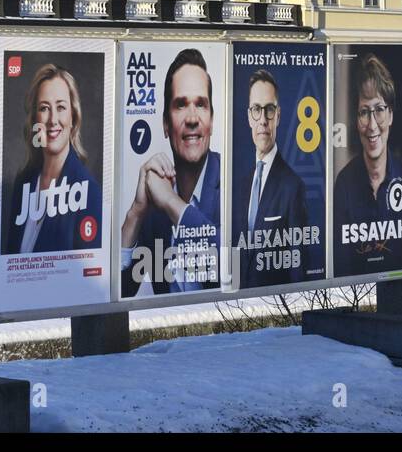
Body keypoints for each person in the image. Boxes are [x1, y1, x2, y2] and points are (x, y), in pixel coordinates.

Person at [121, 48, 221, 296]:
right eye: (180, 105)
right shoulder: (154, 202)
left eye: (201, 104)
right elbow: (115, 291)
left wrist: (170, 202)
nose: (192, 118)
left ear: (211, 121)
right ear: (166, 124)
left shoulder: (234, 181)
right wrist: (136, 212)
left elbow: (229, 260)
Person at [2, 62, 102, 255]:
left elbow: (88, 276)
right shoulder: (24, 183)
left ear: (73, 117)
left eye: (61, 107)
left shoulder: (88, 192)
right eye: (44, 108)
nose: (53, 120)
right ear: (34, 119)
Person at [333, 52, 402, 275]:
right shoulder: (343, 185)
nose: (372, 125)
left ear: (390, 114)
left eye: (379, 110)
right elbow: (341, 264)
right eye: (364, 112)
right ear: (355, 119)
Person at [234, 69, 309, 288]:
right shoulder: (240, 187)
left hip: (275, 304)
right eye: (257, 109)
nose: (263, 120)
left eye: (269, 109)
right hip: (240, 305)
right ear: (249, 117)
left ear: (278, 116)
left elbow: (298, 267)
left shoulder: (293, 187)